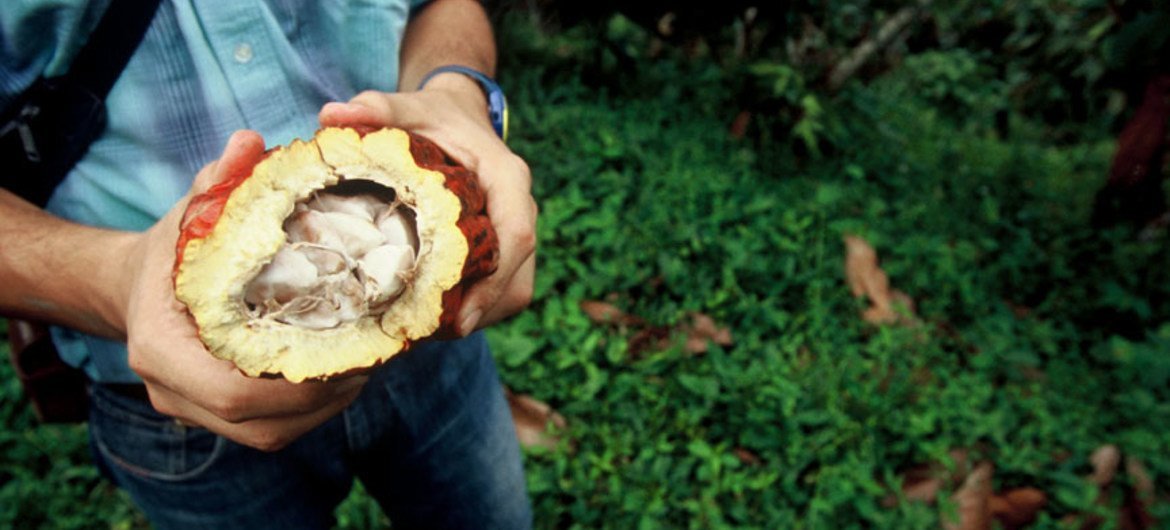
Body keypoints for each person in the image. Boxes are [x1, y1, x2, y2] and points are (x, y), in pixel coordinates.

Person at [0, 0, 537, 528]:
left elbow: (440, 5)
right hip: (180, 403)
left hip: (433, 352)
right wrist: (118, 280)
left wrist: (454, 90)